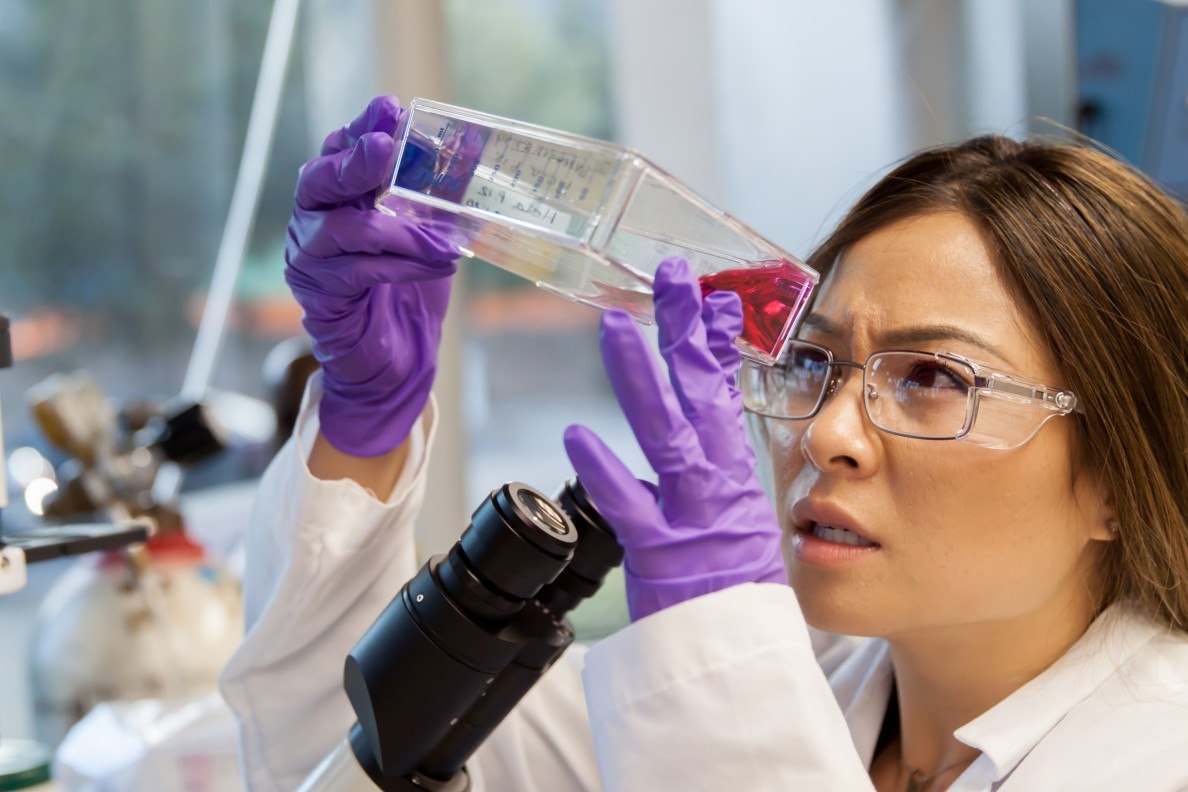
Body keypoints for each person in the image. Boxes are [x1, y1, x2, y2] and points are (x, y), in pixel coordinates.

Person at [219, 96, 1188, 791]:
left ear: (1118, 476)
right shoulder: (793, 677)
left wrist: (719, 640)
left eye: (933, 378)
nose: (826, 433)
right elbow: (351, 744)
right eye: (811, 361)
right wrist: (365, 423)